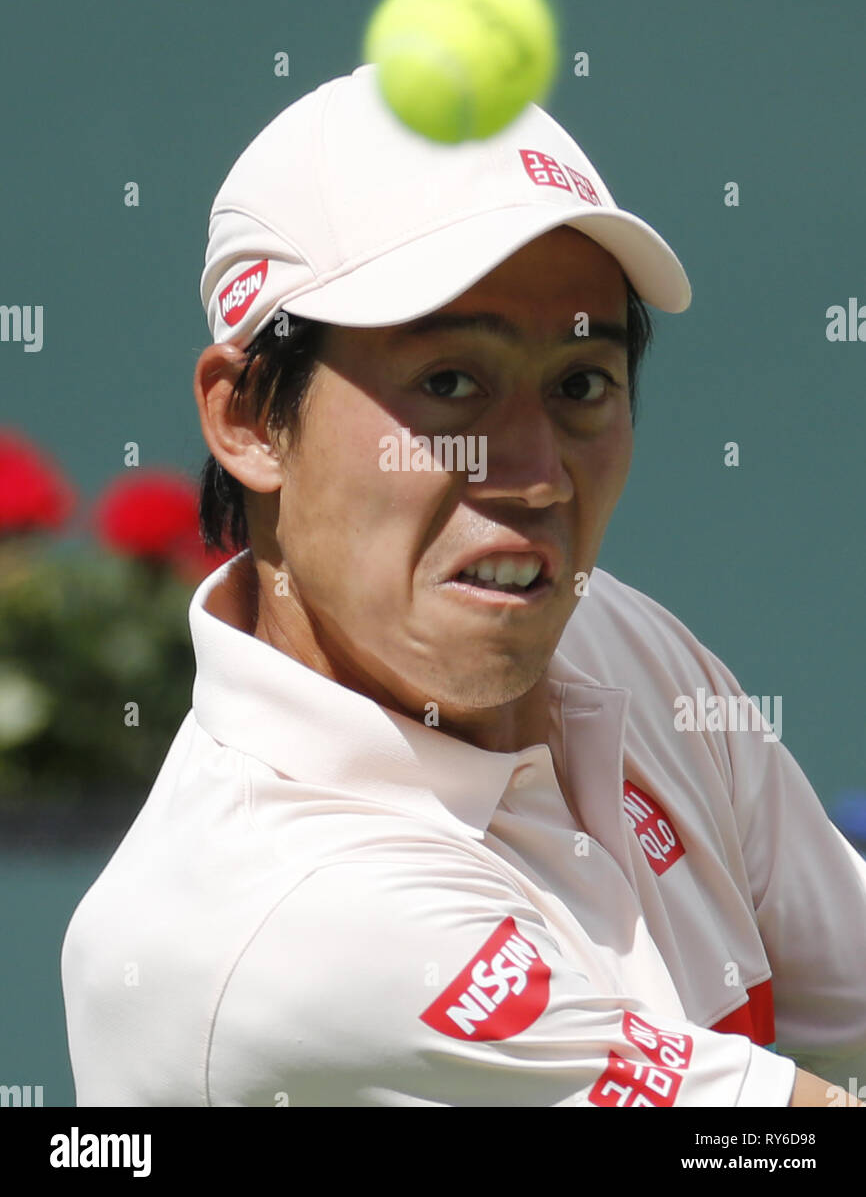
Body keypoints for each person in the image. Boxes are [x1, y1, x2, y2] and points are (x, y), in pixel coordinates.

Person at [61, 64, 866, 1107]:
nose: (533, 474)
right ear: (250, 417)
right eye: (449, 384)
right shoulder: (281, 925)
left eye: (580, 385)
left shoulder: (617, 644)